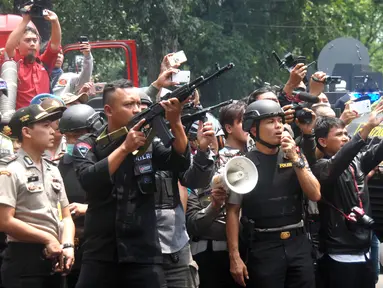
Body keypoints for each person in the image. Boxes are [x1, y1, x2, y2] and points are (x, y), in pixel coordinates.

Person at [73, 76, 191, 288]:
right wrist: (125, 148)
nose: (137, 109)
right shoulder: (87, 144)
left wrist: (176, 122)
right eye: (128, 104)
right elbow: (88, 179)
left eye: (138, 103)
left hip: (142, 251)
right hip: (101, 252)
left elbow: (178, 161)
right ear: (108, 110)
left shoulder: (148, 142)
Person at [226, 100, 321, 288]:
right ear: (254, 130)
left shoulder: (295, 156)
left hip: (298, 243)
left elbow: (315, 194)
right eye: (270, 122)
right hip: (263, 247)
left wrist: (295, 159)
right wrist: (234, 257)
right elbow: (232, 212)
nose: (278, 127)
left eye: (280, 120)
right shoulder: (242, 164)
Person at [0, 104, 75, 288]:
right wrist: (47, 238)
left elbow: (66, 216)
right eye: (45, 125)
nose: (53, 131)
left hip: (56, 259)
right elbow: (4, 221)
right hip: (24, 261)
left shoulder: (53, 169)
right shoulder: (10, 170)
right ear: (27, 131)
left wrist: (67, 245)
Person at [312, 110, 383, 288]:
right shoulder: (320, 168)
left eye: (346, 133)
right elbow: (338, 162)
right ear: (322, 141)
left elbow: (378, 151)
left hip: (364, 250)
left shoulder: (357, 161)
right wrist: (366, 128)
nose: (345, 137)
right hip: (339, 253)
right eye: (339, 134)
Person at [186, 101, 248, 288]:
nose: (212, 143)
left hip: (248, 250)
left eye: (214, 137)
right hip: (209, 255)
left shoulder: (249, 162)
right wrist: (214, 206)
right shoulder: (190, 174)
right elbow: (193, 223)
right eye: (205, 138)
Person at [58, 104, 104, 288]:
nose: (72, 142)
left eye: (77, 136)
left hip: (101, 247)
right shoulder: (59, 166)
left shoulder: (108, 162)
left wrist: (88, 209)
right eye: (67, 137)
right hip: (71, 247)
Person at [4, 6, 62, 109]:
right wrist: (25, 20)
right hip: (22, 120)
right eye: (28, 40)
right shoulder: (14, 65)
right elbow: (9, 48)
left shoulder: (44, 63)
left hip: (44, 117)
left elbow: (55, 44)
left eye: (35, 40)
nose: (32, 44)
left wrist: (55, 21)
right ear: (17, 45)